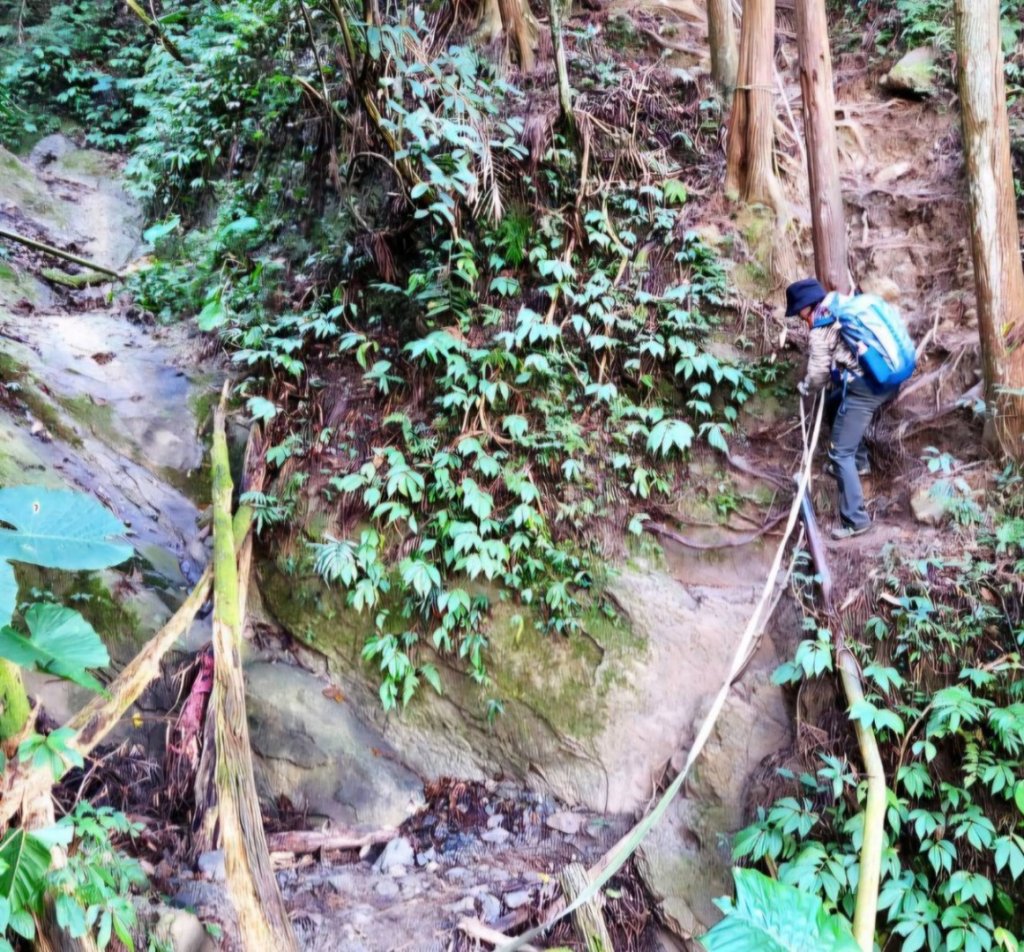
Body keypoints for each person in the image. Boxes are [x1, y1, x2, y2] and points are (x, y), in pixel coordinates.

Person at [785, 278, 899, 541]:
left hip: (866, 387)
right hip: (887, 377)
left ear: (805, 307)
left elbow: (817, 375)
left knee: (839, 453)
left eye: (798, 312)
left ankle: (856, 520)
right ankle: (859, 463)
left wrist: (804, 388)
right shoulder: (843, 305)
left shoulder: (821, 327)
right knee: (836, 402)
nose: (799, 318)